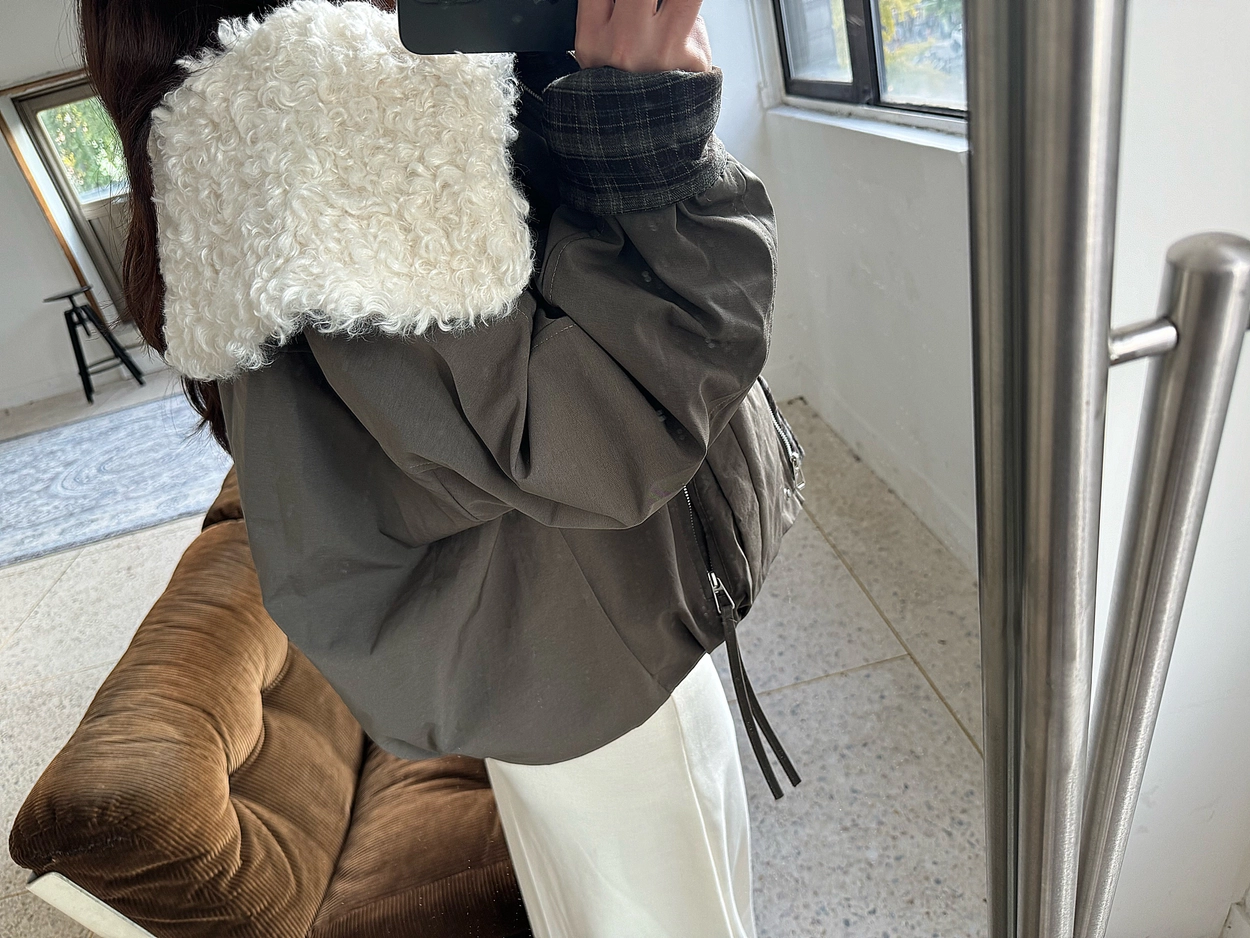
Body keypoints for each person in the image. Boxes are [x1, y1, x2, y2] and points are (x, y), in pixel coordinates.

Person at [81, 0, 805, 933]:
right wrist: (647, 137)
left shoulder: (251, 121)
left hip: (554, 647)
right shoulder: (332, 94)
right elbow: (601, 436)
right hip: (593, 664)